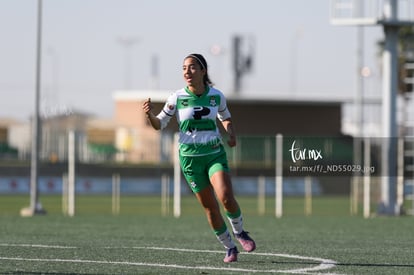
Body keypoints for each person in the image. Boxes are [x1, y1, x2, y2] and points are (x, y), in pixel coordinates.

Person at [142, 53, 256, 263]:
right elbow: (159, 124)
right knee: (210, 207)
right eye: (184, 68)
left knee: (226, 197)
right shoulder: (177, 97)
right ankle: (229, 247)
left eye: (193, 67)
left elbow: (225, 117)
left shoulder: (216, 96)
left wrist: (231, 133)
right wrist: (150, 116)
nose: (187, 71)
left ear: (203, 70)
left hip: (214, 154)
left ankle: (239, 232)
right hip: (190, 161)